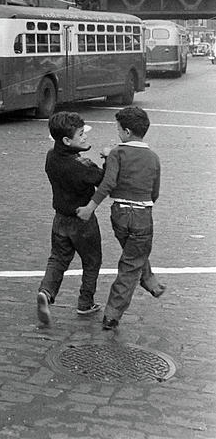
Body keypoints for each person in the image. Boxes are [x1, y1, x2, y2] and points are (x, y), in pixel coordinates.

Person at [76, 106, 164, 331]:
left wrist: (90, 208)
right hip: (143, 215)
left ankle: (150, 282)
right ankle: (113, 314)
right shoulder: (153, 158)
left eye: (118, 130)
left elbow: (108, 183)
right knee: (132, 261)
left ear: (125, 132)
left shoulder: (117, 153)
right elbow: (155, 192)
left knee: (133, 255)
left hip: (120, 214)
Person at [36, 112, 106, 326]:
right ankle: (85, 302)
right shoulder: (80, 165)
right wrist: (109, 158)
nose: (85, 137)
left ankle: (46, 292)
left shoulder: (51, 156)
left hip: (60, 219)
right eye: (81, 134)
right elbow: (103, 179)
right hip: (82, 221)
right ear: (67, 140)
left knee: (57, 258)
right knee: (92, 261)